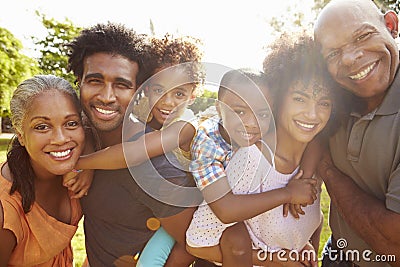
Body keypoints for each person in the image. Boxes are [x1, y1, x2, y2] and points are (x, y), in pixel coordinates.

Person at [186, 33, 338, 266]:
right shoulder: (250, 161)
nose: (312, 114)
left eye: (324, 103)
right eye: (300, 99)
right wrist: (277, 260)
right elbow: (199, 244)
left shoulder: (314, 158)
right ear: (277, 100)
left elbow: (311, 225)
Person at [67, 22, 211, 266]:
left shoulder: (162, 157)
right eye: (94, 81)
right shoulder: (84, 131)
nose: (106, 96)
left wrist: (79, 162)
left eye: (121, 85)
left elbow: (195, 243)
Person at [314, 0, 400, 266]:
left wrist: (327, 170)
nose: (350, 59)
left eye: (362, 36)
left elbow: (394, 246)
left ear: (391, 25)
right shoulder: (328, 102)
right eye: (332, 54)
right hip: (337, 254)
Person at [0, 75, 85, 266]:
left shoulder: (78, 176)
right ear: (21, 135)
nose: (61, 138)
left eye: (71, 123)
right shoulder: (5, 212)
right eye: (42, 127)